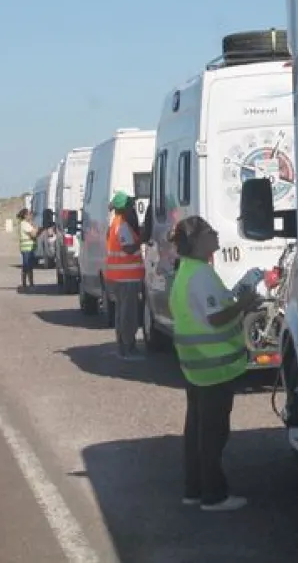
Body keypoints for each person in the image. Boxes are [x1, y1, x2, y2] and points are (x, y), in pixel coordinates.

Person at [167, 215, 261, 512]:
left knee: (196, 430)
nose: (216, 233)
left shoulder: (187, 272)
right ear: (196, 241)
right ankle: (214, 495)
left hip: (196, 367)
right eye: (210, 231)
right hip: (214, 367)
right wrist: (245, 303)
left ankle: (194, 489)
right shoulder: (201, 274)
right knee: (213, 433)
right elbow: (216, 317)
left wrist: (233, 298)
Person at [105, 191, 145, 359]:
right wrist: (141, 239)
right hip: (126, 278)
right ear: (124, 207)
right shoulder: (122, 225)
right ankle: (128, 348)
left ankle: (123, 346)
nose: (133, 208)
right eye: (130, 205)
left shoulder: (116, 224)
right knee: (128, 315)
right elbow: (128, 248)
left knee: (122, 314)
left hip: (118, 277)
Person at [16, 208, 37, 288]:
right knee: (26, 266)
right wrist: (36, 229)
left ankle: (30, 283)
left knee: (29, 266)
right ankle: (25, 283)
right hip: (26, 249)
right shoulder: (24, 224)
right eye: (29, 214)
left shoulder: (27, 223)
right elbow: (33, 234)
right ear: (25, 216)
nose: (30, 215)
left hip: (29, 248)